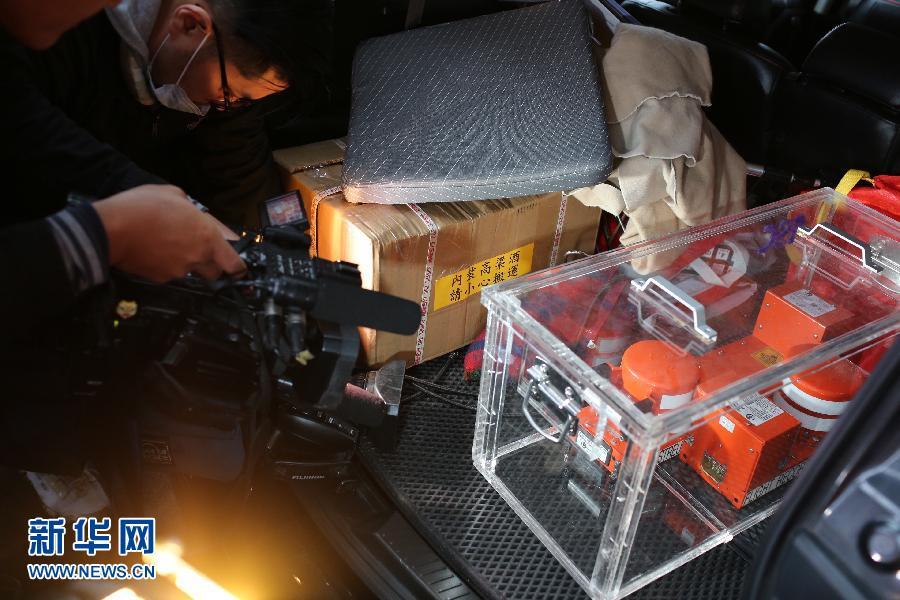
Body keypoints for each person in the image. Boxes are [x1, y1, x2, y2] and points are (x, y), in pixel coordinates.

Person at [0, 0, 329, 227]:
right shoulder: (59, 31)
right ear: (190, 24)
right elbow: (36, 142)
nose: (227, 106)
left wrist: (271, 244)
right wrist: (176, 215)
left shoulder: (223, 73)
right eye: (229, 94)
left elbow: (239, 169)